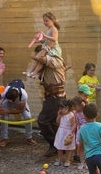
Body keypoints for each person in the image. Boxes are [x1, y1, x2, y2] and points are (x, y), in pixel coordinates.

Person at [31, 13, 67, 157]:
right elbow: (40, 70)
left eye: (47, 20)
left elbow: (38, 57)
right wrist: (34, 73)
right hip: (50, 96)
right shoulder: (48, 63)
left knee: (43, 120)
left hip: (56, 96)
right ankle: (59, 146)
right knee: (52, 122)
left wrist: (38, 50)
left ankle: (55, 145)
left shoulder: (55, 60)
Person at [23, 12, 63, 79]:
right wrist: (40, 40)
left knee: (39, 58)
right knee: (38, 59)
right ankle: (31, 72)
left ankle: (35, 72)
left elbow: (54, 39)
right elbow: (46, 41)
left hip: (53, 49)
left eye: (46, 21)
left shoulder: (54, 29)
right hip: (47, 47)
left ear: (52, 20)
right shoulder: (49, 29)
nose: (45, 22)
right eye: (44, 21)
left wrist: (45, 36)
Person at [53, 99, 76, 167]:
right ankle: (59, 159)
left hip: (68, 132)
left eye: (62, 108)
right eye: (59, 108)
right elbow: (57, 122)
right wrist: (59, 116)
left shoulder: (71, 115)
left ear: (67, 108)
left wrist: (71, 133)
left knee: (68, 148)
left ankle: (67, 160)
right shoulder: (60, 113)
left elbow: (73, 125)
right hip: (60, 132)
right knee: (59, 147)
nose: (60, 110)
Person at [71, 96, 87, 169]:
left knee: (88, 148)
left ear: (81, 104)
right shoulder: (75, 113)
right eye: (73, 106)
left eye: (75, 106)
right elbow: (76, 123)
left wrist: (85, 105)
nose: (74, 108)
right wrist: (72, 132)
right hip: (80, 132)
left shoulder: (86, 110)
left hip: (87, 131)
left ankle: (87, 162)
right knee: (80, 148)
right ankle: (81, 162)